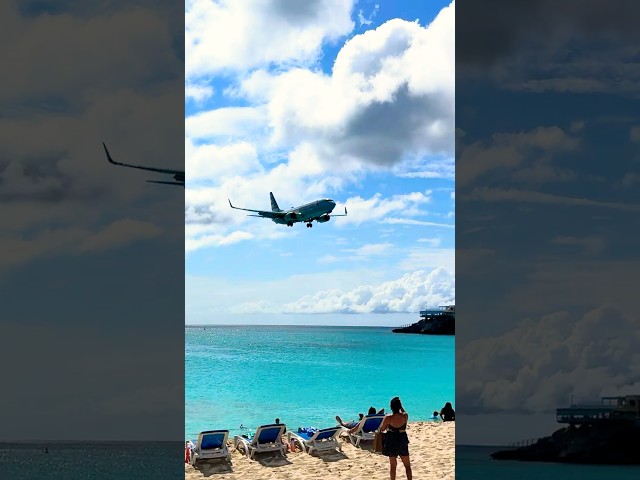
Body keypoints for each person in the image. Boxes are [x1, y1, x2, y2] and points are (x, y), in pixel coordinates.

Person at [379, 397, 411, 480]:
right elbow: (404, 412)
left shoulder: (388, 418)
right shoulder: (405, 416)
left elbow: (382, 429)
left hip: (391, 441)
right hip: (402, 440)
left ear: (391, 407)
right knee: (407, 466)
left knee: (393, 466)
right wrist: (401, 407)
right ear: (400, 406)